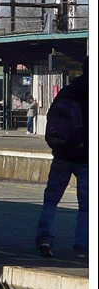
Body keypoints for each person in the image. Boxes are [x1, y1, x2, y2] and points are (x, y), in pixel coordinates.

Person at [35, 72, 88, 259]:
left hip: (62, 156)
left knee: (51, 201)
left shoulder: (67, 92)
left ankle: (44, 239)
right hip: (86, 159)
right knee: (87, 207)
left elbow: (53, 120)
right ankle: (82, 247)